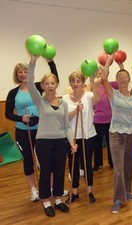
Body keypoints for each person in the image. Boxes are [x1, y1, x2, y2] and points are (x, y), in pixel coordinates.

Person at [27, 55, 77, 217]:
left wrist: (72, 142)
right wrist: (33, 62)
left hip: (60, 142)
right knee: (46, 172)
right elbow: (29, 82)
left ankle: (57, 199)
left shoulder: (63, 103)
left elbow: (66, 125)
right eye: (46, 83)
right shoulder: (39, 101)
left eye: (52, 83)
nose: (50, 86)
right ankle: (46, 201)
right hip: (43, 143)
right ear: (42, 86)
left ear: (56, 85)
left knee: (59, 171)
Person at [5, 58, 58, 202]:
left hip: (42, 129)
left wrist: (51, 62)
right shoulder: (13, 93)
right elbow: (8, 113)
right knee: (28, 160)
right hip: (23, 131)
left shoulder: (37, 87)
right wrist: (20, 118)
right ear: (17, 75)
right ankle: (33, 190)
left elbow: (54, 79)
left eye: (25, 71)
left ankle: (49, 188)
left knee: (45, 160)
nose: (23, 74)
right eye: (20, 72)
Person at [101, 54, 132, 214]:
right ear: (117, 80)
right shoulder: (113, 94)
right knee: (118, 168)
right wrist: (108, 61)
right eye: (120, 77)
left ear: (129, 79)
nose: (123, 79)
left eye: (125, 77)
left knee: (128, 167)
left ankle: (127, 191)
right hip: (116, 134)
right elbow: (104, 78)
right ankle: (118, 199)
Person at [62, 70, 99, 204]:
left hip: (88, 135)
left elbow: (98, 99)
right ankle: (75, 193)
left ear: (83, 83)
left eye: (78, 81)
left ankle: (89, 191)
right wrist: (76, 110)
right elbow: (65, 118)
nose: (75, 83)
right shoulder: (65, 98)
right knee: (73, 165)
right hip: (72, 137)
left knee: (87, 164)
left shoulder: (89, 95)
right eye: (73, 81)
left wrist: (93, 81)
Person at [92, 67, 117, 171]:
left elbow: (121, 80)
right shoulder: (93, 86)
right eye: (99, 73)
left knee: (111, 142)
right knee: (97, 143)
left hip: (110, 120)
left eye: (104, 73)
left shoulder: (111, 85)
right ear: (96, 74)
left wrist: (121, 66)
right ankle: (97, 163)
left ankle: (112, 162)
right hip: (97, 120)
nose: (102, 75)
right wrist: (98, 79)